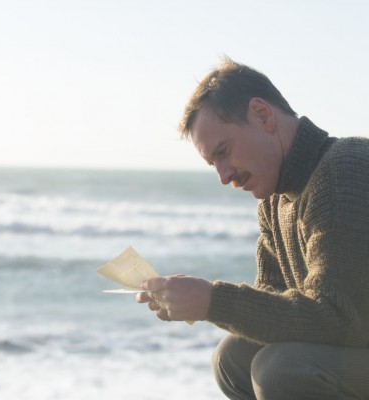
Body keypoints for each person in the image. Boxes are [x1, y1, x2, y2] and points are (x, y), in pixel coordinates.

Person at [136, 57, 369, 399]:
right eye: (213, 163)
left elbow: (340, 317)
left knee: (282, 369)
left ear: (263, 115)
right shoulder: (275, 202)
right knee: (233, 357)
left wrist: (213, 301)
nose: (223, 175)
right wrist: (193, 299)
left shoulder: (343, 169)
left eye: (224, 151)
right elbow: (272, 303)